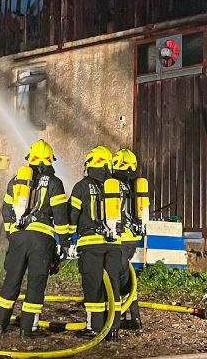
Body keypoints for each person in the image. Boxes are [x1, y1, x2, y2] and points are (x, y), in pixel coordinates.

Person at [0, 139, 68, 338]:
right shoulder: (55, 184)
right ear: (50, 161)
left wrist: (12, 233)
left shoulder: (17, 180)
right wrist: (64, 243)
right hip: (41, 241)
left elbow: (7, 210)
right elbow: (60, 216)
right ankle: (28, 328)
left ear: (30, 159)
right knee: (36, 282)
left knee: (11, 279)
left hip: (19, 238)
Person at [63, 145, 125, 340]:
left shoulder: (81, 186)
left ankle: (95, 327)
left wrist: (68, 241)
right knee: (113, 284)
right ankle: (114, 328)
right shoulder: (118, 186)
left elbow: (72, 214)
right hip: (114, 244)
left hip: (90, 244)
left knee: (93, 285)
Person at [112, 147, 149, 331]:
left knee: (115, 278)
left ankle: (115, 321)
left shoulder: (111, 184)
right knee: (126, 275)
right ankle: (133, 317)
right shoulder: (134, 185)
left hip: (118, 238)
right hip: (133, 238)